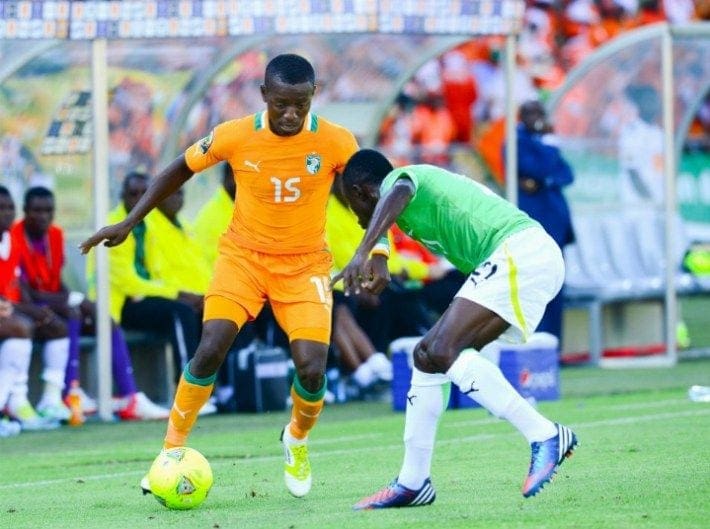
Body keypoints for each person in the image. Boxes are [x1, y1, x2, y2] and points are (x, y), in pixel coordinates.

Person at [80, 54, 361, 498]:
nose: (291, 114)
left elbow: (371, 190)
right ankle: (170, 450)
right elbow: (179, 168)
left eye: (300, 104)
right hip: (243, 260)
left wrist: (378, 249)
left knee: (311, 369)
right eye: (281, 104)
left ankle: (296, 439)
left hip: (305, 265)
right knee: (210, 347)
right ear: (264, 95)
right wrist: (131, 220)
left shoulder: (336, 140)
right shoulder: (235, 134)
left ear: (314, 95)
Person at [333, 149, 578, 509]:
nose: (355, 217)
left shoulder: (401, 180)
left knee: (442, 350)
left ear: (360, 191)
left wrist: (361, 253)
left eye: (352, 205)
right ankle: (413, 482)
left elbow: (396, 191)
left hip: (518, 251)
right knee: (426, 357)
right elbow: (385, 211)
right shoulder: (393, 203)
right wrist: (379, 255)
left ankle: (544, 434)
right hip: (521, 256)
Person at [513, 100, 575, 343]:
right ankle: (535, 343)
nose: (537, 119)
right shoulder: (516, 142)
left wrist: (544, 181)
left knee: (556, 286)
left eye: (540, 113)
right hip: (535, 225)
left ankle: (553, 345)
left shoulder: (545, 141)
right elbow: (539, 168)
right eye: (532, 114)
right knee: (535, 285)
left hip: (556, 225)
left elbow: (567, 174)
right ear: (522, 117)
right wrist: (547, 157)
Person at [0, 185, 54, 433]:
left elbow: (15, 285)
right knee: (21, 327)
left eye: (10, 207)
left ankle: (18, 402)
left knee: (29, 327)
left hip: (7, 309)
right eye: (1, 208)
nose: (7, 213)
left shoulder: (11, 240)